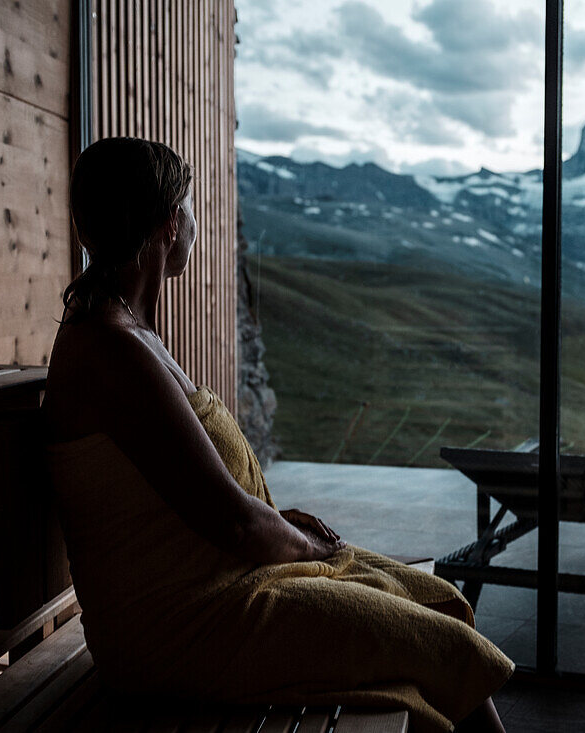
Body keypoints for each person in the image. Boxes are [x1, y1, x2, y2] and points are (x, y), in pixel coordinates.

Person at [44, 137, 512, 733]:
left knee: (432, 600)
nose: (193, 221)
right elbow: (233, 523)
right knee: (435, 643)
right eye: (186, 206)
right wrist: (306, 546)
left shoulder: (124, 330)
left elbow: (193, 495)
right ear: (165, 224)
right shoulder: (112, 350)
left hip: (213, 585)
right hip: (184, 625)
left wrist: (281, 524)